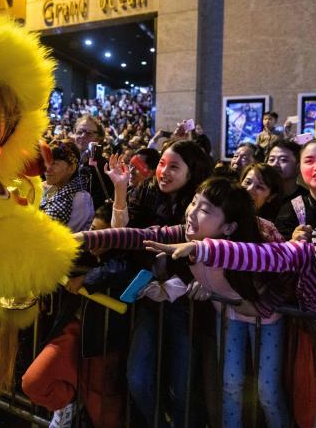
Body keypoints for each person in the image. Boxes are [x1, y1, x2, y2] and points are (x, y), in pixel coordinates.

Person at [146, 191, 316, 427]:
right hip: (315, 334)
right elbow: (268, 255)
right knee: (315, 402)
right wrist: (204, 249)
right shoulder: (310, 252)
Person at [76, 177, 291, 428]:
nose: (191, 212)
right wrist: (86, 238)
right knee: (230, 384)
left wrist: (260, 307)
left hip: (266, 320)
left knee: (267, 390)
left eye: (204, 210)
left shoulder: (257, 242)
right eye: (193, 202)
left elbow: (288, 278)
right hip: (230, 316)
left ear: (229, 227)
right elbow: (139, 236)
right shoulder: (184, 235)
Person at [98, 139, 213, 427]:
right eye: (162, 164)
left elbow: (206, 249)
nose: (164, 172)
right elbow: (122, 235)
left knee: (184, 387)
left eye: (174, 167)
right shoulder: (147, 192)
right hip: (149, 298)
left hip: (187, 306)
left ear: (192, 171)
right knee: (137, 378)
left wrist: (173, 287)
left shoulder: (203, 203)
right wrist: (120, 189)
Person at [23, 205, 132, 428]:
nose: (94, 241)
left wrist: (86, 279)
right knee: (34, 381)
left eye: (103, 237)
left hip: (102, 344)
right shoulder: (81, 250)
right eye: (92, 231)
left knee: (103, 412)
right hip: (71, 332)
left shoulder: (123, 261)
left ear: (117, 238)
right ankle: (68, 405)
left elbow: (121, 269)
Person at [40, 140, 94, 232]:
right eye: (46, 162)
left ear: (71, 168)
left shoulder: (80, 198)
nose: (47, 169)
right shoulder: (47, 187)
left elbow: (67, 234)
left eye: (54, 164)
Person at [72, 114, 114, 209]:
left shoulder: (106, 168)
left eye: (89, 133)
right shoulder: (67, 161)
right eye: (79, 132)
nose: (83, 136)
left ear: (99, 138)